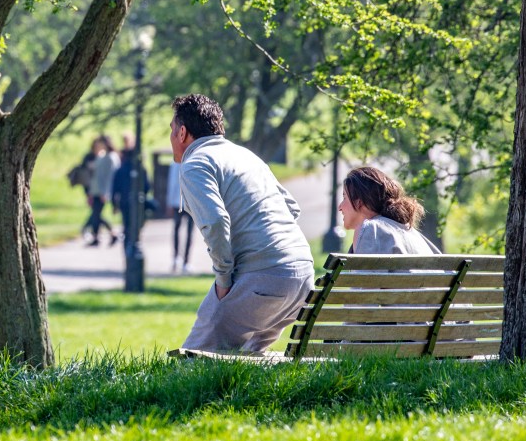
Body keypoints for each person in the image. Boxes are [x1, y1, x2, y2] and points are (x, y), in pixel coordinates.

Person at [171, 94, 314, 353]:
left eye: (171, 130)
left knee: (194, 359)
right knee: (247, 358)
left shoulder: (195, 164)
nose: (170, 138)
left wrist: (224, 280)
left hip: (264, 280)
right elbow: (291, 207)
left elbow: (214, 222)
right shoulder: (246, 156)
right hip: (302, 276)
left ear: (182, 133)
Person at [339, 166, 440, 254]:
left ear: (359, 202)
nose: (340, 207)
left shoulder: (369, 229)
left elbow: (365, 276)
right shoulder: (416, 237)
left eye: (344, 198)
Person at [86, 135, 120, 247]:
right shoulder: (102, 156)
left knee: (97, 214)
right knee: (96, 214)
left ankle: (111, 234)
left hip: (102, 191)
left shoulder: (111, 157)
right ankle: (99, 236)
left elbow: (110, 176)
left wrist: (105, 192)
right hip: (96, 190)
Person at [166, 160, 194, 273]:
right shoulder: (191, 162)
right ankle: (183, 260)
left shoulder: (176, 163)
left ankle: (179, 258)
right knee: (186, 231)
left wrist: (169, 202)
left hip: (181, 201)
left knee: (180, 230)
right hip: (187, 202)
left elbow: (172, 183)